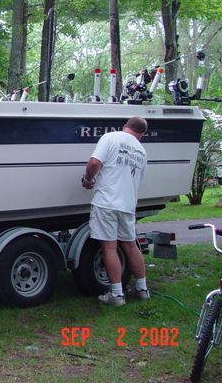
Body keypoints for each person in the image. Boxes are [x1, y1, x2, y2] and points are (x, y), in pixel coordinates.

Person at [81, 117, 150, 307]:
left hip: (107, 202)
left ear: (125, 127)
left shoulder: (110, 137)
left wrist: (87, 180)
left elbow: (94, 163)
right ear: (141, 135)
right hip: (127, 205)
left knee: (110, 248)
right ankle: (142, 289)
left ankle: (117, 295)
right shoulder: (141, 151)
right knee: (131, 246)